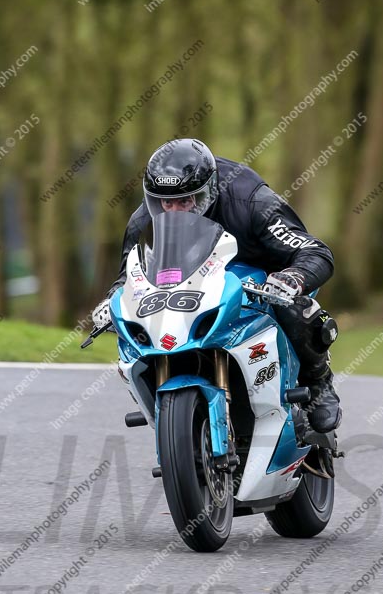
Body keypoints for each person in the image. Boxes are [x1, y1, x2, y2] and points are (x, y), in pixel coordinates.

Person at [92, 139, 341, 433]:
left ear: (209, 190)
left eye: (185, 201)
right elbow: (130, 273)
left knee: (297, 310)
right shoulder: (143, 220)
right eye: (165, 203)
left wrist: (294, 277)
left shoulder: (253, 201)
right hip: (193, 280)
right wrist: (112, 301)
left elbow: (314, 251)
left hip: (264, 272)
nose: (173, 211)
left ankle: (319, 381)